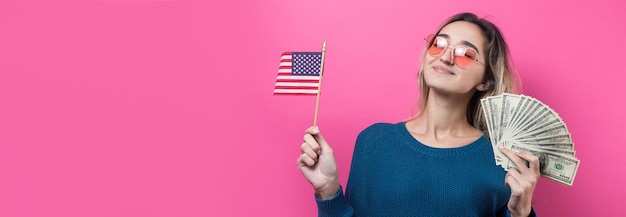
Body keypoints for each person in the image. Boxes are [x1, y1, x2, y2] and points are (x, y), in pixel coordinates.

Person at [297, 12, 540, 217]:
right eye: (439, 44)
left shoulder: (504, 160)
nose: (445, 56)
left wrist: (522, 213)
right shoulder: (374, 142)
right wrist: (328, 190)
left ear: (485, 81)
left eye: (465, 54)